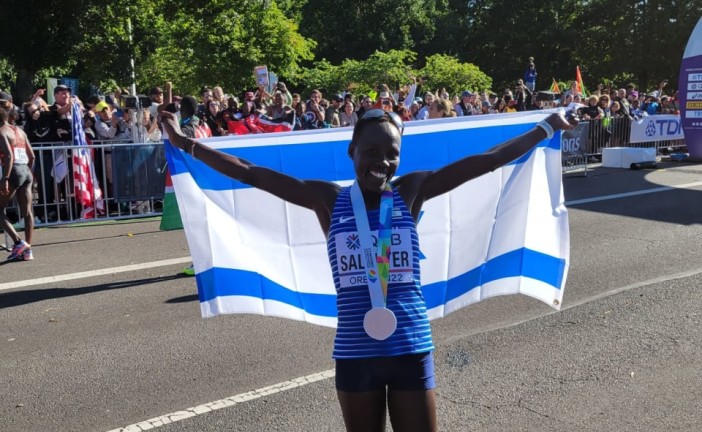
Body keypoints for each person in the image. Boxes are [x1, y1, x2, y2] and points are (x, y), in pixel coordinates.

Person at [159, 105, 575, 432]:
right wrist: (183, 141)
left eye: (391, 154)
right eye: (371, 151)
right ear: (351, 152)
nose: (382, 162)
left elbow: (487, 160)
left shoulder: (411, 191)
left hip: (410, 347)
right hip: (356, 354)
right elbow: (249, 173)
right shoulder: (327, 200)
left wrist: (546, 128)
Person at [0, 105, 36, 261]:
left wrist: (5, 178)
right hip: (26, 171)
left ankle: (18, 242)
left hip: (13, 172)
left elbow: (8, 156)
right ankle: (28, 249)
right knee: (27, 212)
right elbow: (32, 156)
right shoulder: (20, 131)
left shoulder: (2, 132)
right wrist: (24, 171)